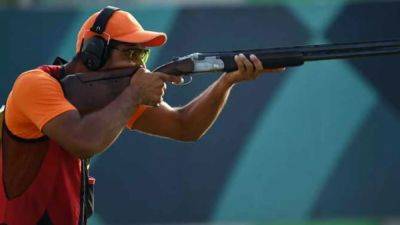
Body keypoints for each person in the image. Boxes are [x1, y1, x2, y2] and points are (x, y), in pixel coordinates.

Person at [0, 6, 284, 225]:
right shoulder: (34, 85)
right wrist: (134, 94)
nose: (140, 66)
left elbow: (185, 126)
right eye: (131, 54)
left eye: (143, 56)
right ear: (93, 52)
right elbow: (83, 140)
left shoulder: (113, 97)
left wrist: (226, 82)